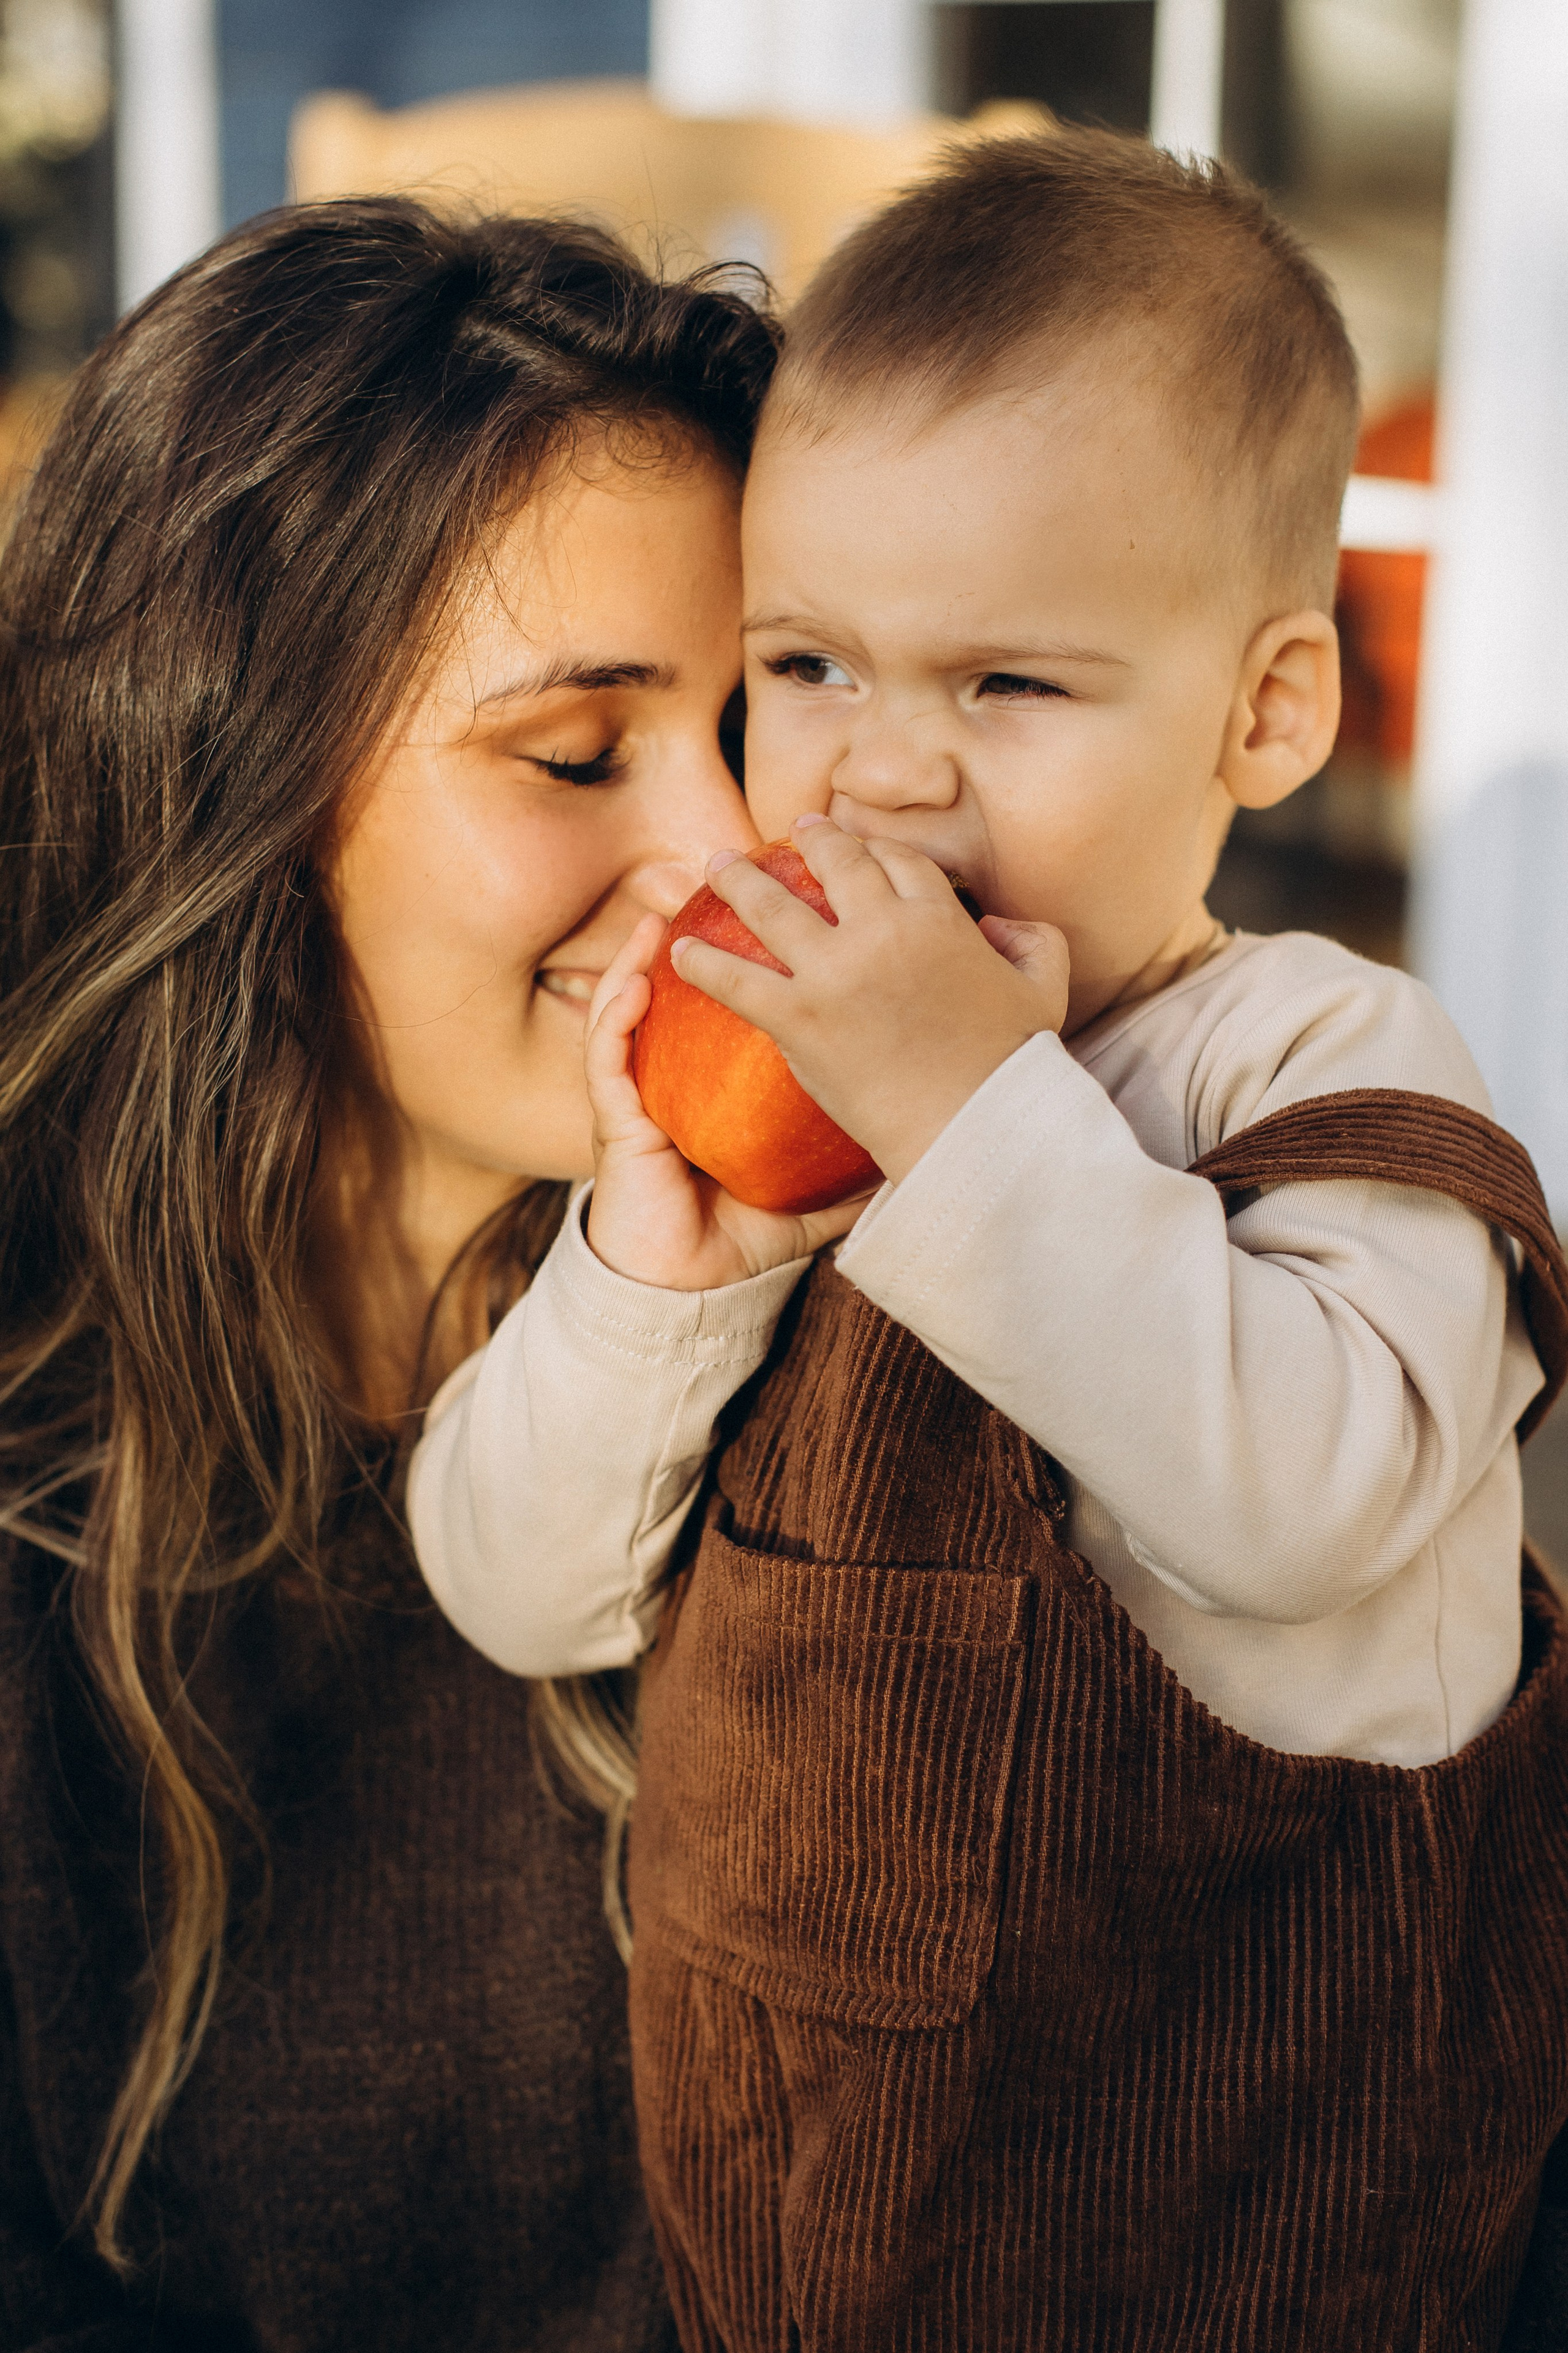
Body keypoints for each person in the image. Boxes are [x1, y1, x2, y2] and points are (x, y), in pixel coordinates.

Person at [412, 133, 1568, 2349]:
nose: (879, 778)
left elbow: (1307, 1492)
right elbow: (514, 1580)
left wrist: (966, 1109)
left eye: (1007, 688)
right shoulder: (766, 1121)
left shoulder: (1315, 1067)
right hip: (817, 2239)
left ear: (1268, 716)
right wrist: (659, 1264)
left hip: (1269, 2228)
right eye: (815, 667)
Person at [0, 194, 803, 2352]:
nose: (735, 860)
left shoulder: (874, 1392)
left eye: (765, 722)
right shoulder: (32, 1525)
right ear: (228, 783)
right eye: (576, 752)